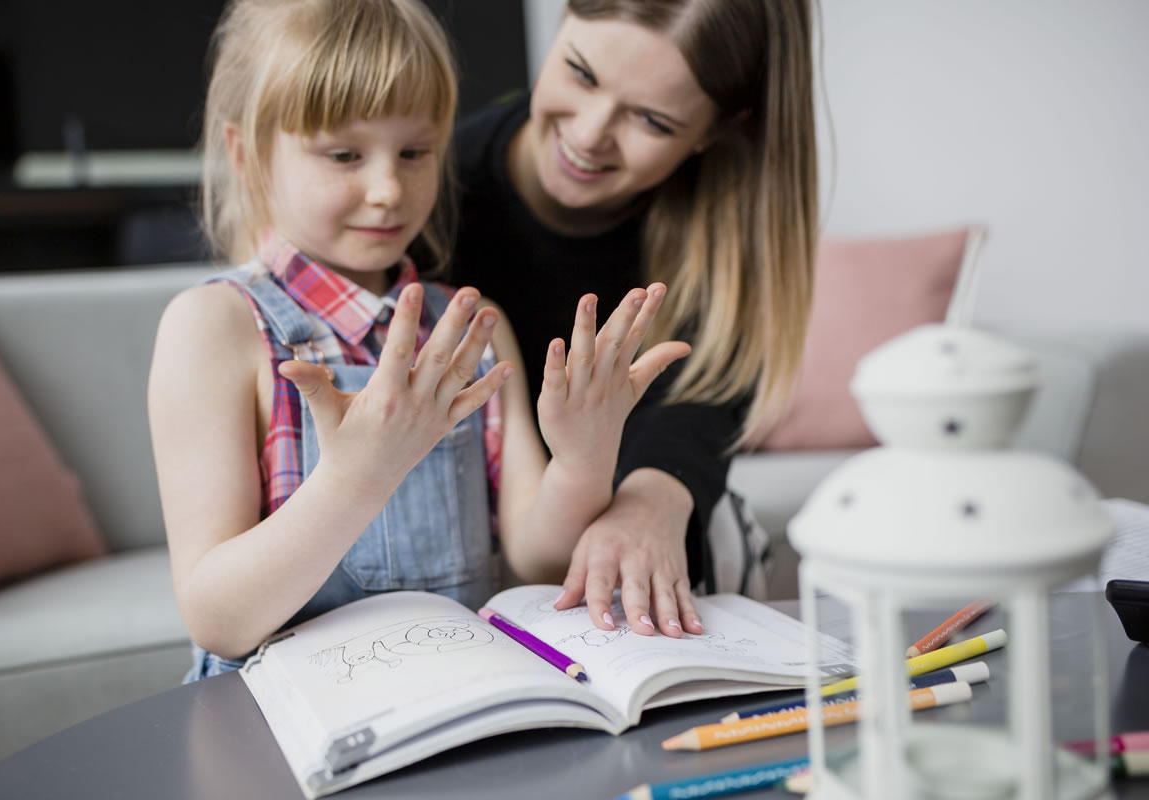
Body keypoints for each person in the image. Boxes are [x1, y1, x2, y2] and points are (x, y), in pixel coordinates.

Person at [147, 0, 688, 681]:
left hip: (450, 702)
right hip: (281, 724)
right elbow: (217, 620)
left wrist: (583, 457)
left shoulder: (471, 327)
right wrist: (353, 479)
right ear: (247, 155)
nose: (387, 189)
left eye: (414, 152)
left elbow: (536, 558)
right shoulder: (215, 328)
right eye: (344, 154)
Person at [445, 0, 819, 637]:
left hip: (623, 523)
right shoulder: (430, 186)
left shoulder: (723, 223)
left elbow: (708, 393)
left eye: (651, 120)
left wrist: (654, 496)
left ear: (718, 129)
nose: (590, 134)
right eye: (581, 73)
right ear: (560, 25)